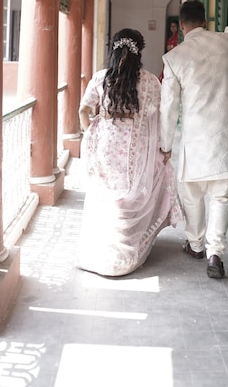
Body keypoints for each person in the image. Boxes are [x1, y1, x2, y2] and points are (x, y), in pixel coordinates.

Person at [159, 0, 228, 279]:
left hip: (194, 140)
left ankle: (195, 245)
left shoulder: (174, 57)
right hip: (227, 137)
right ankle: (214, 253)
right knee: (221, 197)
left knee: (192, 195)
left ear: (182, 26)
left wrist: (165, 145)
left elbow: (168, 106)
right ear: (205, 21)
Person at [77, 28, 183, 277]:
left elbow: (83, 110)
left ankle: (103, 249)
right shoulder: (150, 82)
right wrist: (162, 148)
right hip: (135, 150)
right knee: (133, 193)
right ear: (140, 52)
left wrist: (90, 133)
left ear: (112, 49)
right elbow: (158, 117)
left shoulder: (100, 78)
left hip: (105, 145)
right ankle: (127, 247)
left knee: (106, 198)